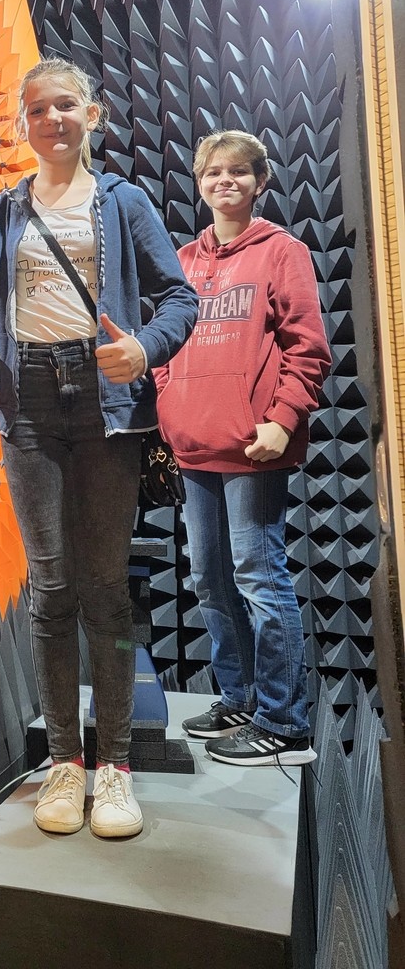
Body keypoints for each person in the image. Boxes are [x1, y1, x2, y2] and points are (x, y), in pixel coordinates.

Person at [0, 57, 198, 837]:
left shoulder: (125, 202)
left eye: (66, 105)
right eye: (37, 109)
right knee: (51, 589)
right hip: (26, 401)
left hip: (106, 406)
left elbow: (179, 297)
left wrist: (146, 349)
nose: (51, 119)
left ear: (94, 115)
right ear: (23, 124)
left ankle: (114, 767)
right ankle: (64, 761)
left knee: (105, 590)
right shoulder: (0, 213)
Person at [153, 131, 331, 766]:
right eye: (212, 172)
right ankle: (241, 696)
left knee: (259, 576)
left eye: (238, 171)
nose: (224, 180)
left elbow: (308, 347)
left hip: (254, 445)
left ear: (260, 181)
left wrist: (283, 418)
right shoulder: (181, 259)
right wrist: (169, 404)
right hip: (194, 445)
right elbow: (165, 343)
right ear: (199, 182)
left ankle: (284, 723)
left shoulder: (283, 251)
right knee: (209, 579)